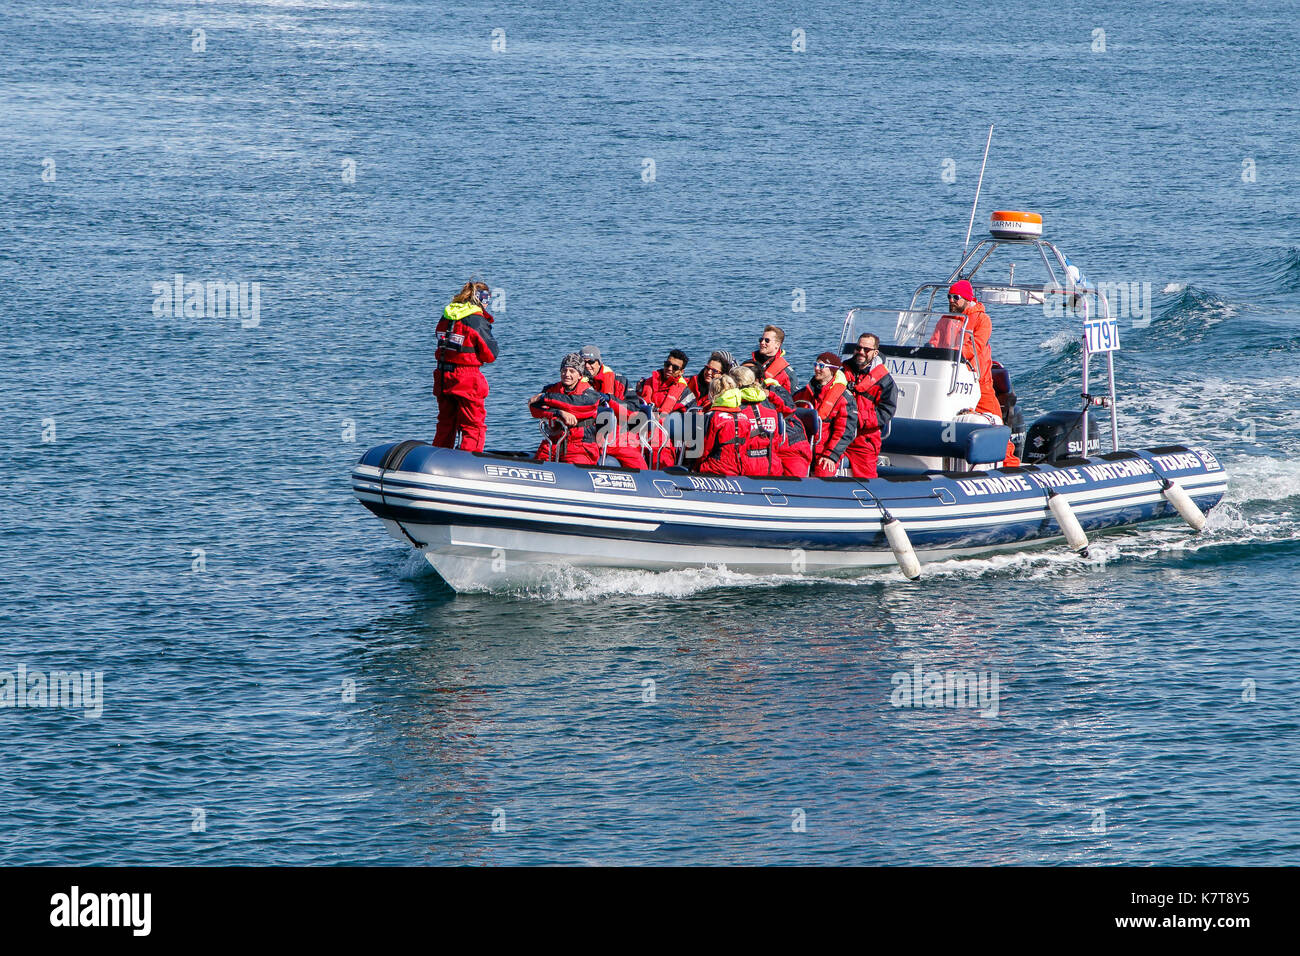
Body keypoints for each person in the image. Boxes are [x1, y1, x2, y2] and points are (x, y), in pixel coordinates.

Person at [928, 280, 1019, 466]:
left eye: (956, 297)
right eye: (949, 297)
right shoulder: (946, 320)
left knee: (995, 424)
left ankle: (1010, 465)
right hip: (948, 378)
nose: (951, 300)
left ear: (967, 299)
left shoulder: (982, 319)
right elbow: (934, 341)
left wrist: (954, 352)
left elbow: (976, 346)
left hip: (978, 381)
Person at [433, 280, 498, 451]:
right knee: (473, 424)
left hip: (442, 375)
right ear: (480, 299)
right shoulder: (476, 320)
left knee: (446, 422)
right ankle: (469, 462)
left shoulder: (447, 315)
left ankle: (439, 457)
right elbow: (491, 354)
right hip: (466, 377)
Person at [579, 345, 646, 469]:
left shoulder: (619, 382)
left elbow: (634, 413)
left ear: (599, 362)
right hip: (587, 435)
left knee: (635, 460)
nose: (587, 366)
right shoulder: (575, 382)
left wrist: (611, 400)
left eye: (591, 362)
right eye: (583, 363)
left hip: (618, 436)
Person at [842, 333, 898, 479]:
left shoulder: (885, 381)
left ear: (875, 352)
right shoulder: (841, 372)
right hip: (838, 434)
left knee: (866, 477)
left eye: (866, 349)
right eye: (858, 348)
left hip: (864, 440)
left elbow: (886, 411)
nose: (861, 352)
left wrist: (856, 419)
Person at [793, 352, 857, 477]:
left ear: (832, 370)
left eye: (821, 366)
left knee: (824, 472)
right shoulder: (804, 393)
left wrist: (831, 455)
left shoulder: (844, 398)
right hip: (803, 448)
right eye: (816, 365)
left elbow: (845, 432)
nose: (817, 368)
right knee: (791, 470)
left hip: (826, 451)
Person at [530, 353, 601, 464]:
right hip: (552, 443)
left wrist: (546, 398)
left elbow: (574, 405)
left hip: (580, 448)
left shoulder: (591, 395)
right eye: (564, 370)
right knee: (538, 464)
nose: (567, 374)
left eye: (572, 371)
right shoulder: (551, 389)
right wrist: (558, 413)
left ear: (579, 375)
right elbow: (534, 409)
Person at [637, 349, 695, 469]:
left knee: (661, 453)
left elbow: (693, 421)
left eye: (674, 367)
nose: (669, 368)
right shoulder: (646, 383)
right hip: (642, 430)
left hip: (666, 436)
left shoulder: (685, 393)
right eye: (667, 364)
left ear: (681, 372)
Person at [730, 365, 783, 477]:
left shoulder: (735, 409)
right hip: (772, 466)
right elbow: (778, 438)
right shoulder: (771, 405)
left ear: (736, 385)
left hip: (746, 468)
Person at [695, 374, 748, 476]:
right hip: (739, 469)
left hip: (714, 469)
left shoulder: (711, 417)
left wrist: (695, 467)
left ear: (712, 393)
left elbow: (704, 449)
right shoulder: (744, 417)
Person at [751, 326, 798, 392]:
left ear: (777, 345)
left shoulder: (787, 373)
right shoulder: (750, 364)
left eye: (767, 340)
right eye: (761, 339)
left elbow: (793, 399)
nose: (762, 343)